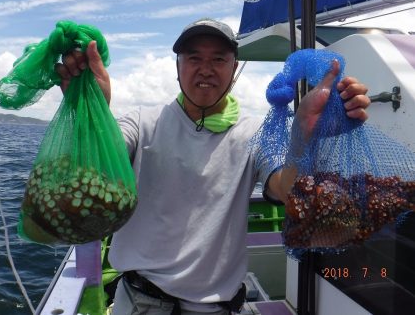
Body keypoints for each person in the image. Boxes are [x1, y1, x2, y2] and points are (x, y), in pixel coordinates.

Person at [55, 18, 370, 314]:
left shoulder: (253, 134)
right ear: (177, 66)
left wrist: (304, 136)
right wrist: (91, 109)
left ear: (234, 69)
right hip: (141, 301)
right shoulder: (142, 122)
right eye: (194, 58)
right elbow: (96, 166)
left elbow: (287, 190)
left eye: (218, 59)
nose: (205, 69)